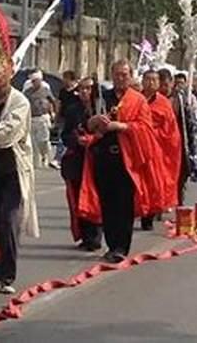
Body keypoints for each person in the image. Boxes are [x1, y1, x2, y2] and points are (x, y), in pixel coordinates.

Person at [83, 59, 163, 263]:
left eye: (124, 75)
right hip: (103, 157)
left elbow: (145, 128)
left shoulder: (137, 100)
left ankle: (121, 246)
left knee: (123, 204)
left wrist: (121, 126)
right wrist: (92, 123)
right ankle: (111, 244)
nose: (120, 78)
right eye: (117, 74)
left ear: (131, 76)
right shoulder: (103, 97)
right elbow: (88, 123)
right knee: (107, 204)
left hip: (125, 158)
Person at [0, 68, 40, 294]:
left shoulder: (20, 102)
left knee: (7, 220)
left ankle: (7, 275)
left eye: (2, 72)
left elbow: (8, 133)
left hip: (12, 170)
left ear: (11, 73)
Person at [60, 77, 102, 251]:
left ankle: (95, 236)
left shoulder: (101, 109)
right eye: (82, 89)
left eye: (88, 89)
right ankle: (85, 236)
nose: (85, 92)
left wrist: (94, 139)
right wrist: (77, 140)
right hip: (77, 160)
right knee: (78, 199)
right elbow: (65, 135)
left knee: (96, 199)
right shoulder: (72, 110)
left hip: (97, 160)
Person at [140, 69, 181, 230]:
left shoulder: (164, 103)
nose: (150, 83)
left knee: (154, 184)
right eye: (147, 79)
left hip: (158, 150)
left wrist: (153, 133)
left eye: (154, 80)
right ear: (142, 81)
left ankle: (149, 215)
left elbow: (170, 130)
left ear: (158, 83)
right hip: (139, 148)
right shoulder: (135, 99)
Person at [170, 71, 197, 185]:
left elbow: (193, 114)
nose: (179, 85)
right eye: (177, 82)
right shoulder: (170, 98)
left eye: (182, 83)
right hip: (171, 136)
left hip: (186, 133)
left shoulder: (188, 98)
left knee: (190, 156)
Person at [23, 70, 56, 168]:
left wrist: (53, 113)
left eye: (37, 81)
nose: (35, 83)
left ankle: (45, 154)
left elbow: (52, 101)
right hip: (32, 118)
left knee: (43, 140)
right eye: (33, 81)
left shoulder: (45, 90)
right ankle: (35, 162)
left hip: (43, 117)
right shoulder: (27, 92)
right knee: (33, 142)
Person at [50, 70, 78, 170]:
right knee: (61, 138)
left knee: (71, 139)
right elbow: (59, 104)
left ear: (71, 79)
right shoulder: (63, 91)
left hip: (75, 119)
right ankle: (58, 159)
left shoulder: (78, 90)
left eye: (65, 78)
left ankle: (63, 158)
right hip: (64, 118)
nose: (63, 80)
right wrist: (56, 117)